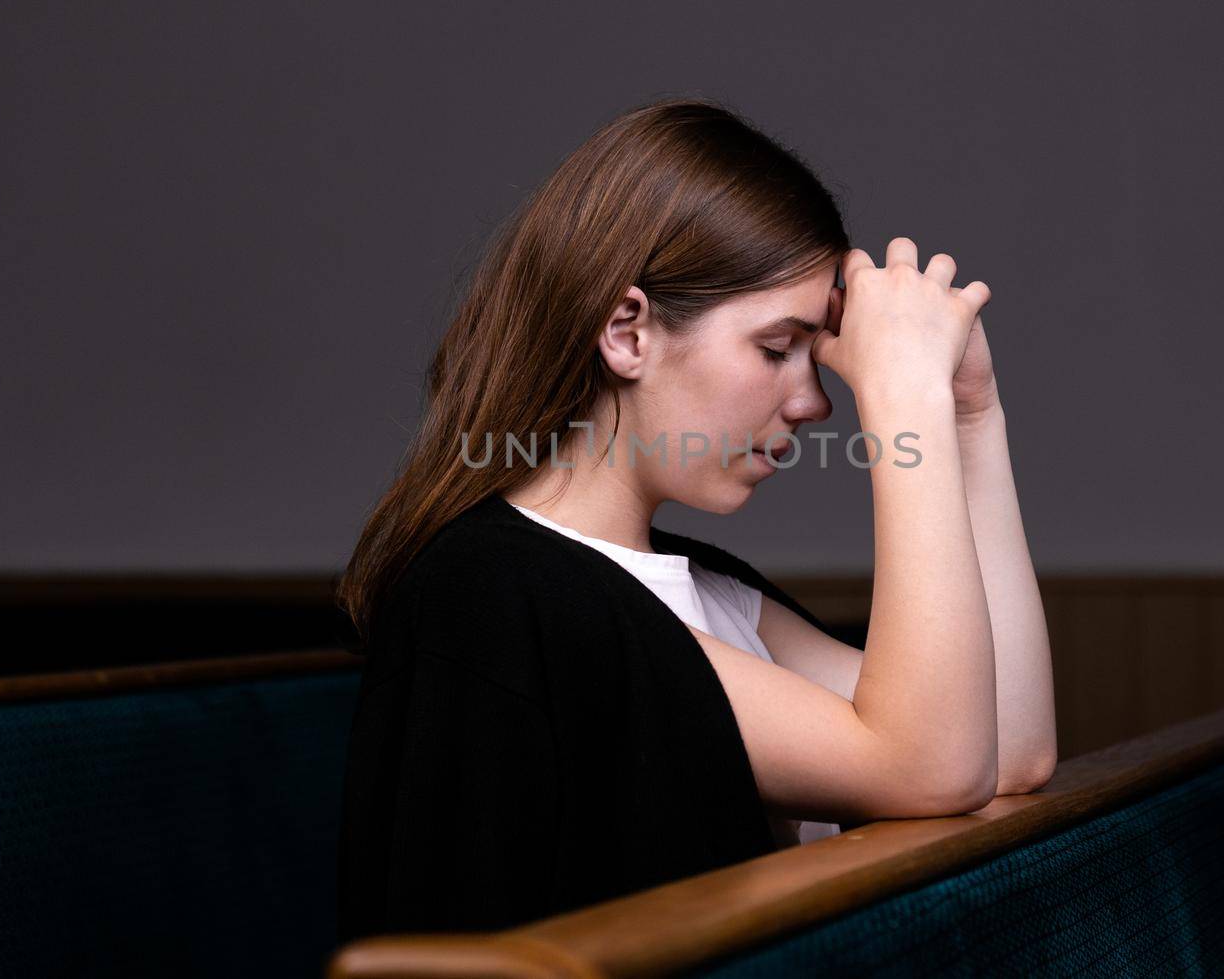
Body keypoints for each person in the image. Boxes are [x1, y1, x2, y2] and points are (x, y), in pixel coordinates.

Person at [334, 98, 1056, 940]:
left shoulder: (702, 587)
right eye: (776, 346)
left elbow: (1009, 748)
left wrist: (971, 414)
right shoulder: (495, 585)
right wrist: (904, 403)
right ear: (627, 333)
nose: (816, 400)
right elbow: (931, 765)